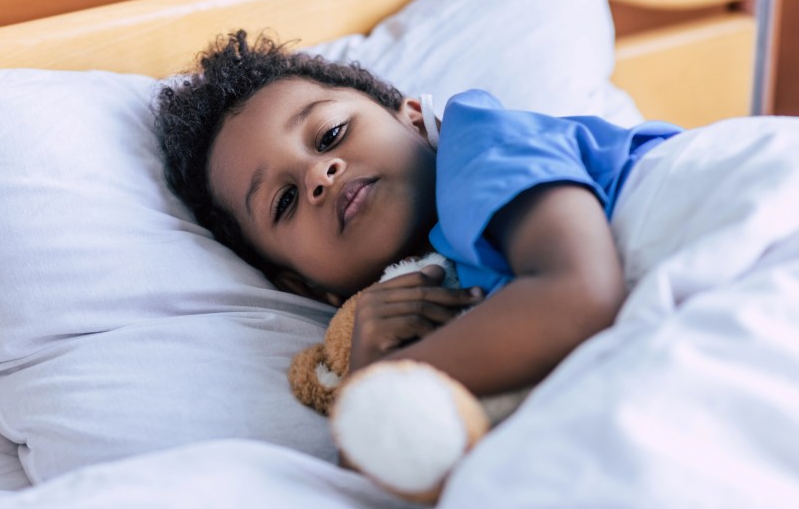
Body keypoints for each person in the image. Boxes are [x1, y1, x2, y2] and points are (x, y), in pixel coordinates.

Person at [157, 30, 681, 397]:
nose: (319, 175)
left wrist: (376, 382)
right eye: (285, 201)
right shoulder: (422, 313)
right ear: (305, 287)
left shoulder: (479, 142)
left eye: (331, 134)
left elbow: (581, 296)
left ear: (414, 120)